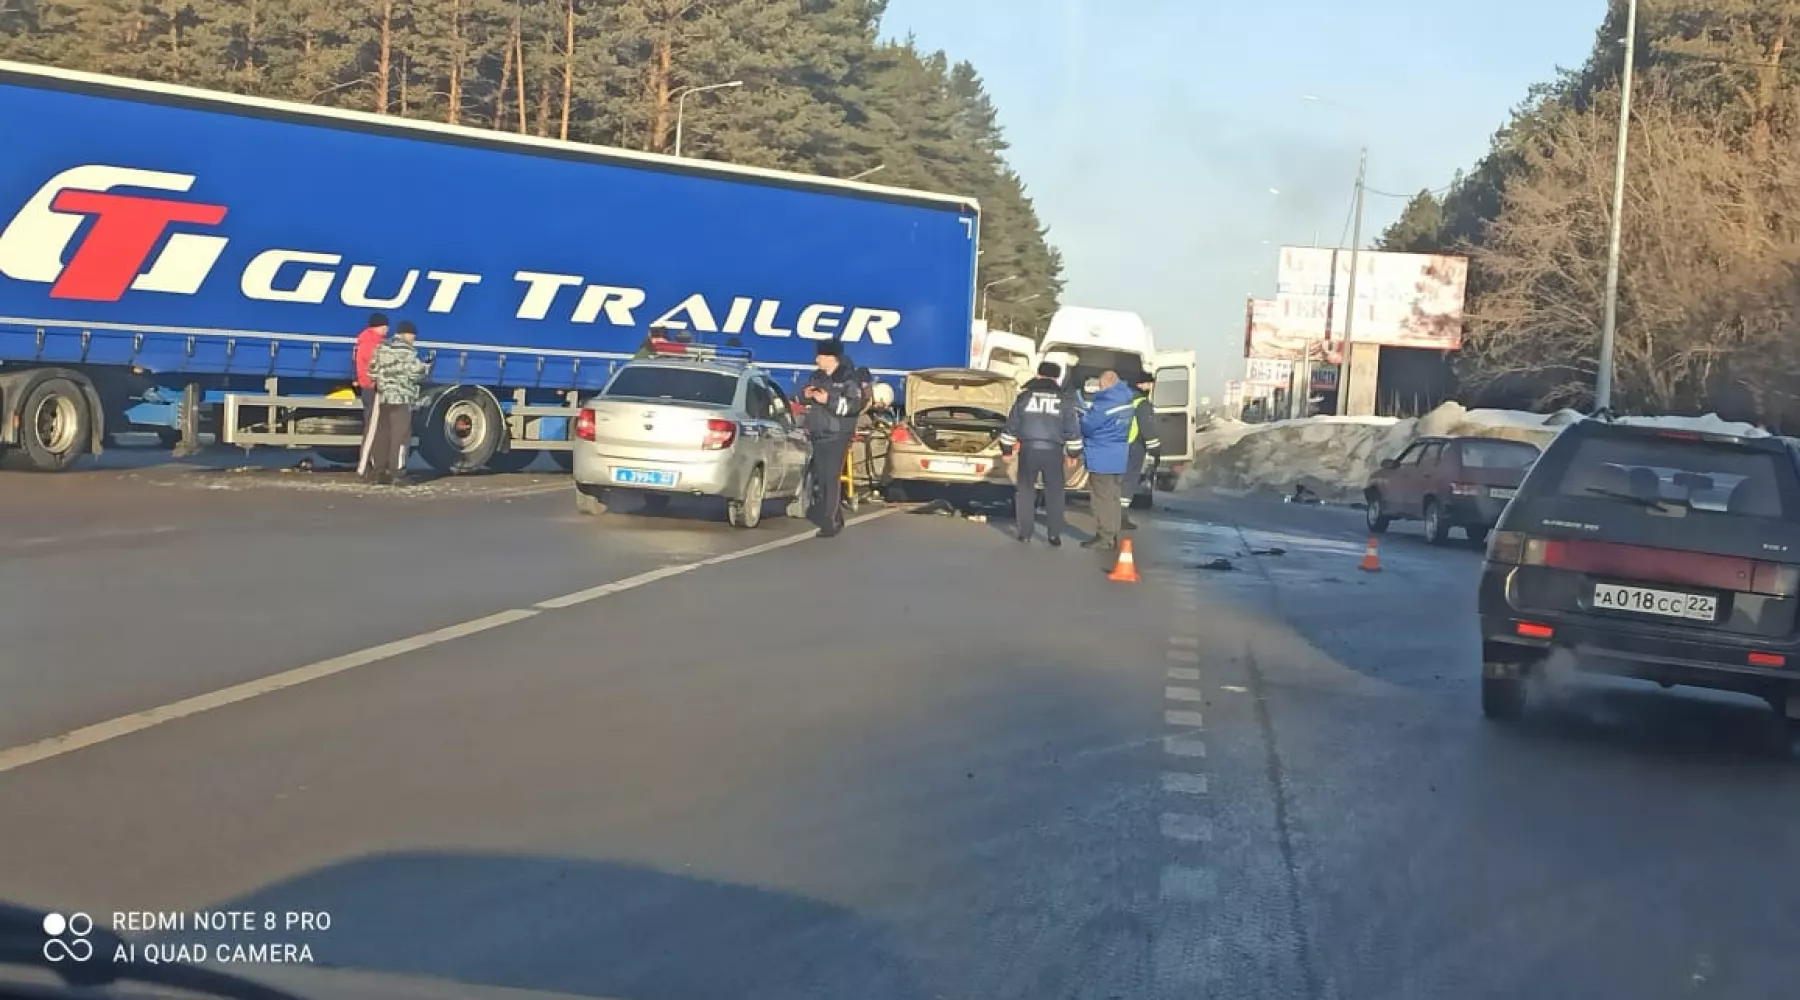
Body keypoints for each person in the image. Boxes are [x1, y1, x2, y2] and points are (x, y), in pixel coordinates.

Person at [999, 361, 1082, 546]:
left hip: (1029, 450)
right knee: (1054, 493)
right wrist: (1073, 454)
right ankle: (1054, 535)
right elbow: (1072, 430)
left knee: (1026, 491)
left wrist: (1006, 450)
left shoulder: (1025, 397)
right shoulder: (1064, 400)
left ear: (1038, 374)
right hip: (1053, 452)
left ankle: (1025, 533)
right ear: (1056, 378)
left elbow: (1011, 427)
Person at [801, 341, 864, 538]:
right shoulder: (816, 376)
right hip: (818, 432)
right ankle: (835, 514)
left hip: (838, 434)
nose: (816, 359)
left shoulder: (847, 378)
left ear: (831, 357)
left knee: (831, 476)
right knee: (821, 476)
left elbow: (854, 406)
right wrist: (806, 395)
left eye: (820, 356)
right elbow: (803, 397)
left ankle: (829, 521)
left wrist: (829, 400)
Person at [366, 320, 431, 485]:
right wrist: (426, 366)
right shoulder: (407, 351)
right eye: (413, 336)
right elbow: (415, 373)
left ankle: (378, 472)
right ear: (407, 334)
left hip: (383, 398)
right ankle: (397, 473)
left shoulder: (382, 347)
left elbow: (372, 371)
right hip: (401, 399)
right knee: (400, 436)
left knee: (382, 435)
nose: (413, 340)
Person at [1077, 370, 1136, 550]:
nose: (1099, 388)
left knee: (1101, 499)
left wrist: (1081, 411)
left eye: (1100, 384)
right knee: (1113, 497)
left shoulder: (1106, 403)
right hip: (1118, 455)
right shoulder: (1126, 399)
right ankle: (1112, 533)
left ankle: (1105, 536)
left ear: (1107, 383)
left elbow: (1088, 426)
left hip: (1101, 455)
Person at [1122, 371, 1162, 531]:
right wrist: (1155, 450)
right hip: (1135, 446)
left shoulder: (1125, 400)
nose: (1150, 387)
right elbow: (1147, 430)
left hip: (1119, 445)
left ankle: (1113, 514)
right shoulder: (1142, 404)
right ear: (1140, 385)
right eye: (1148, 384)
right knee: (1129, 481)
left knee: (1118, 481)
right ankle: (1121, 516)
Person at [352, 311, 390, 479]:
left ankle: (372, 464)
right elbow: (376, 367)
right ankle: (366, 466)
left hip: (368, 387)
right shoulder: (373, 343)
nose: (387, 329)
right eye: (385, 326)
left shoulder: (365, 340)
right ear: (380, 326)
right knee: (373, 428)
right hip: (373, 388)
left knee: (373, 426)